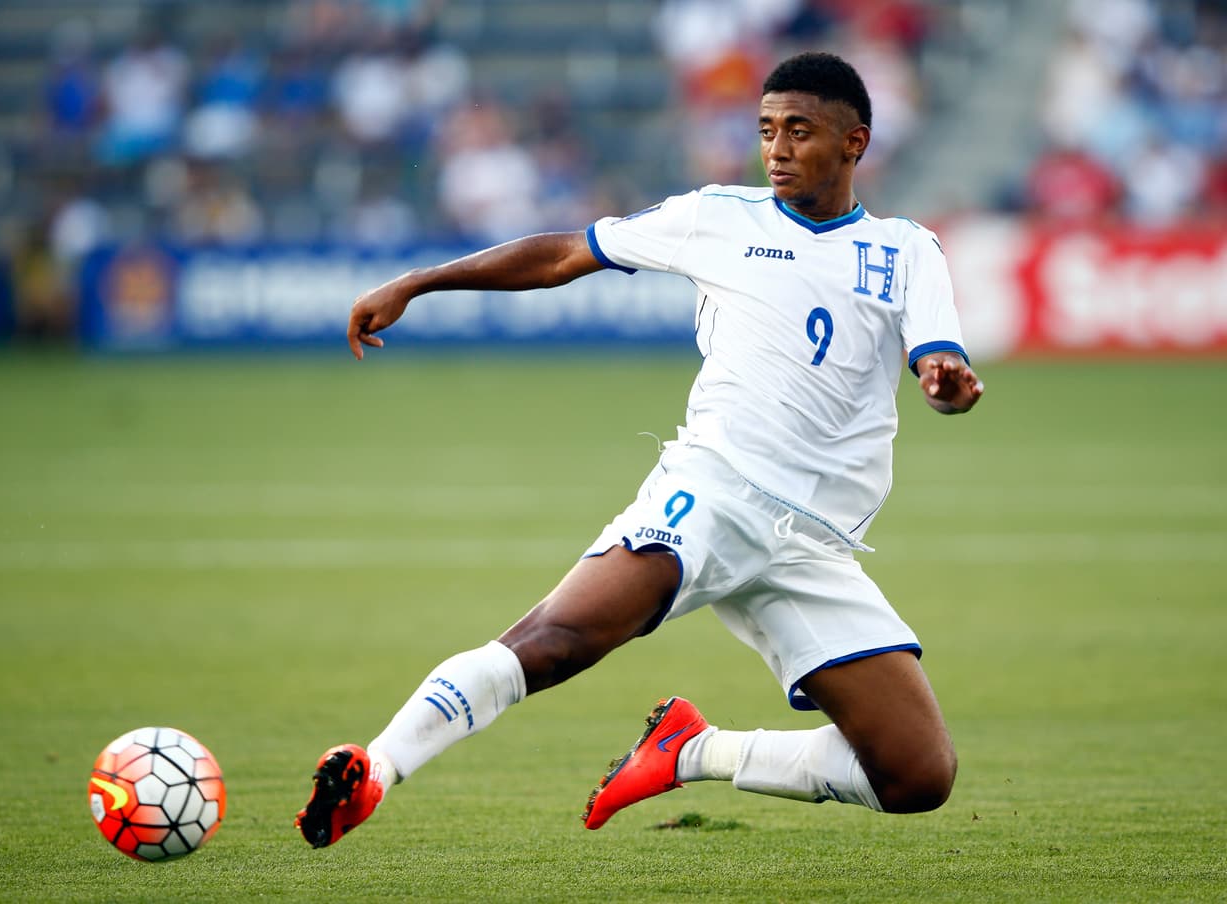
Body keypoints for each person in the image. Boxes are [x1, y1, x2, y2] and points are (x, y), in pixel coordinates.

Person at [295, 50, 984, 848]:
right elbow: (564, 254)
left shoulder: (906, 250)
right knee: (558, 640)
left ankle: (690, 750)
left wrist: (945, 383)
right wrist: (419, 282)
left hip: (816, 544)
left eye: (799, 131)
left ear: (854, 142)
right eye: (766, 130)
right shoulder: (718, 217)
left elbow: (939, 362)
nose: (776, 149)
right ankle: (377, 769)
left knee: (916, 775)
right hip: (717, 493)